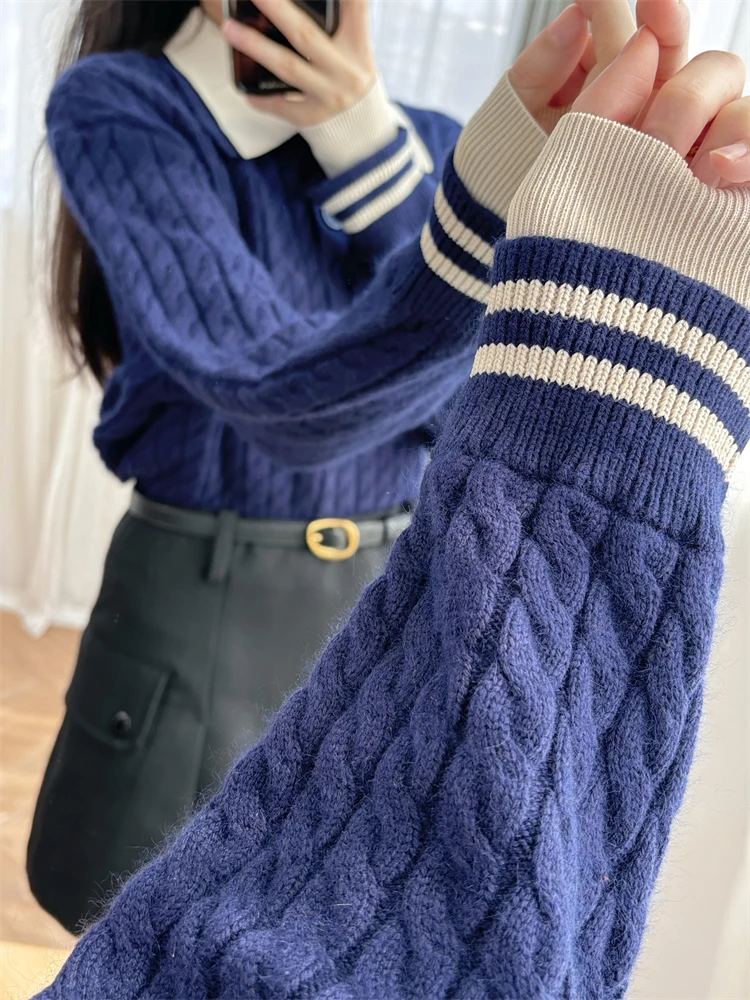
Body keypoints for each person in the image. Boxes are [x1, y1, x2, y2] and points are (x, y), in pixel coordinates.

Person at [34, 0, 750, 994]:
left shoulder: (447, 143)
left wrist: (373, 145)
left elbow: (462, 411)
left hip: (396, 585)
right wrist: (451, 211)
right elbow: (282, 405)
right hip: (206, 596)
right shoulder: (127, 106)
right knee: (161, 934)